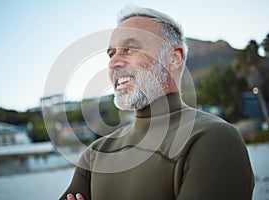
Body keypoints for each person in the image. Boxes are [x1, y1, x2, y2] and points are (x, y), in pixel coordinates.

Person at [60, 5, 254, 200]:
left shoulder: (213, 138)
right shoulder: (95, 154)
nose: (113, 63)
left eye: (129, 49)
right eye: (111, 54)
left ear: (174, 57)